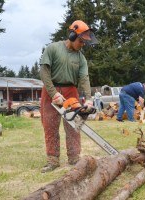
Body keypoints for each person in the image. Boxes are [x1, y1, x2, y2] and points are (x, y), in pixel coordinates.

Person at [39, 20, 98, 173]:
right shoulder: (53, 48)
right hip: (50, 89)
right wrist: (53, 93)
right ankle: (52, 160)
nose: (82, 44)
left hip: (71, 91)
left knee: (74, 125)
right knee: (50, 126)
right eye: (81, 41)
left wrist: (89, 99)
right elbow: (44, 72)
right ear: (72, 35)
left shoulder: (81, 58)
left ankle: (74, 157)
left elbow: (84, 79)